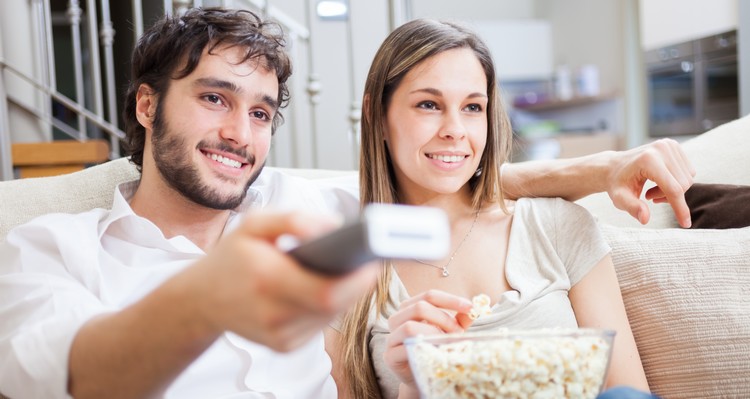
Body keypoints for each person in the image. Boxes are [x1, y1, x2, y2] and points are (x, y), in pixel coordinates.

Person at [0, 7, 692, 399]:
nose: (240, 133)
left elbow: (448, 177)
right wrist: (209, 295)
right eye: (214, 97)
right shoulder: (49, 247)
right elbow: (68, 375)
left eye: (262, 112)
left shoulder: (305, 205)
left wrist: (608, 165)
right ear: (147, 105)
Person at [325, 18, 662, 399]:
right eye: (428, 104)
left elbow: (628, 394)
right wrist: (415, 384)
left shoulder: (557, 227)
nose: (455, 129)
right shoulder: (345, 269)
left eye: (472, 107)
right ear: (376, 115)